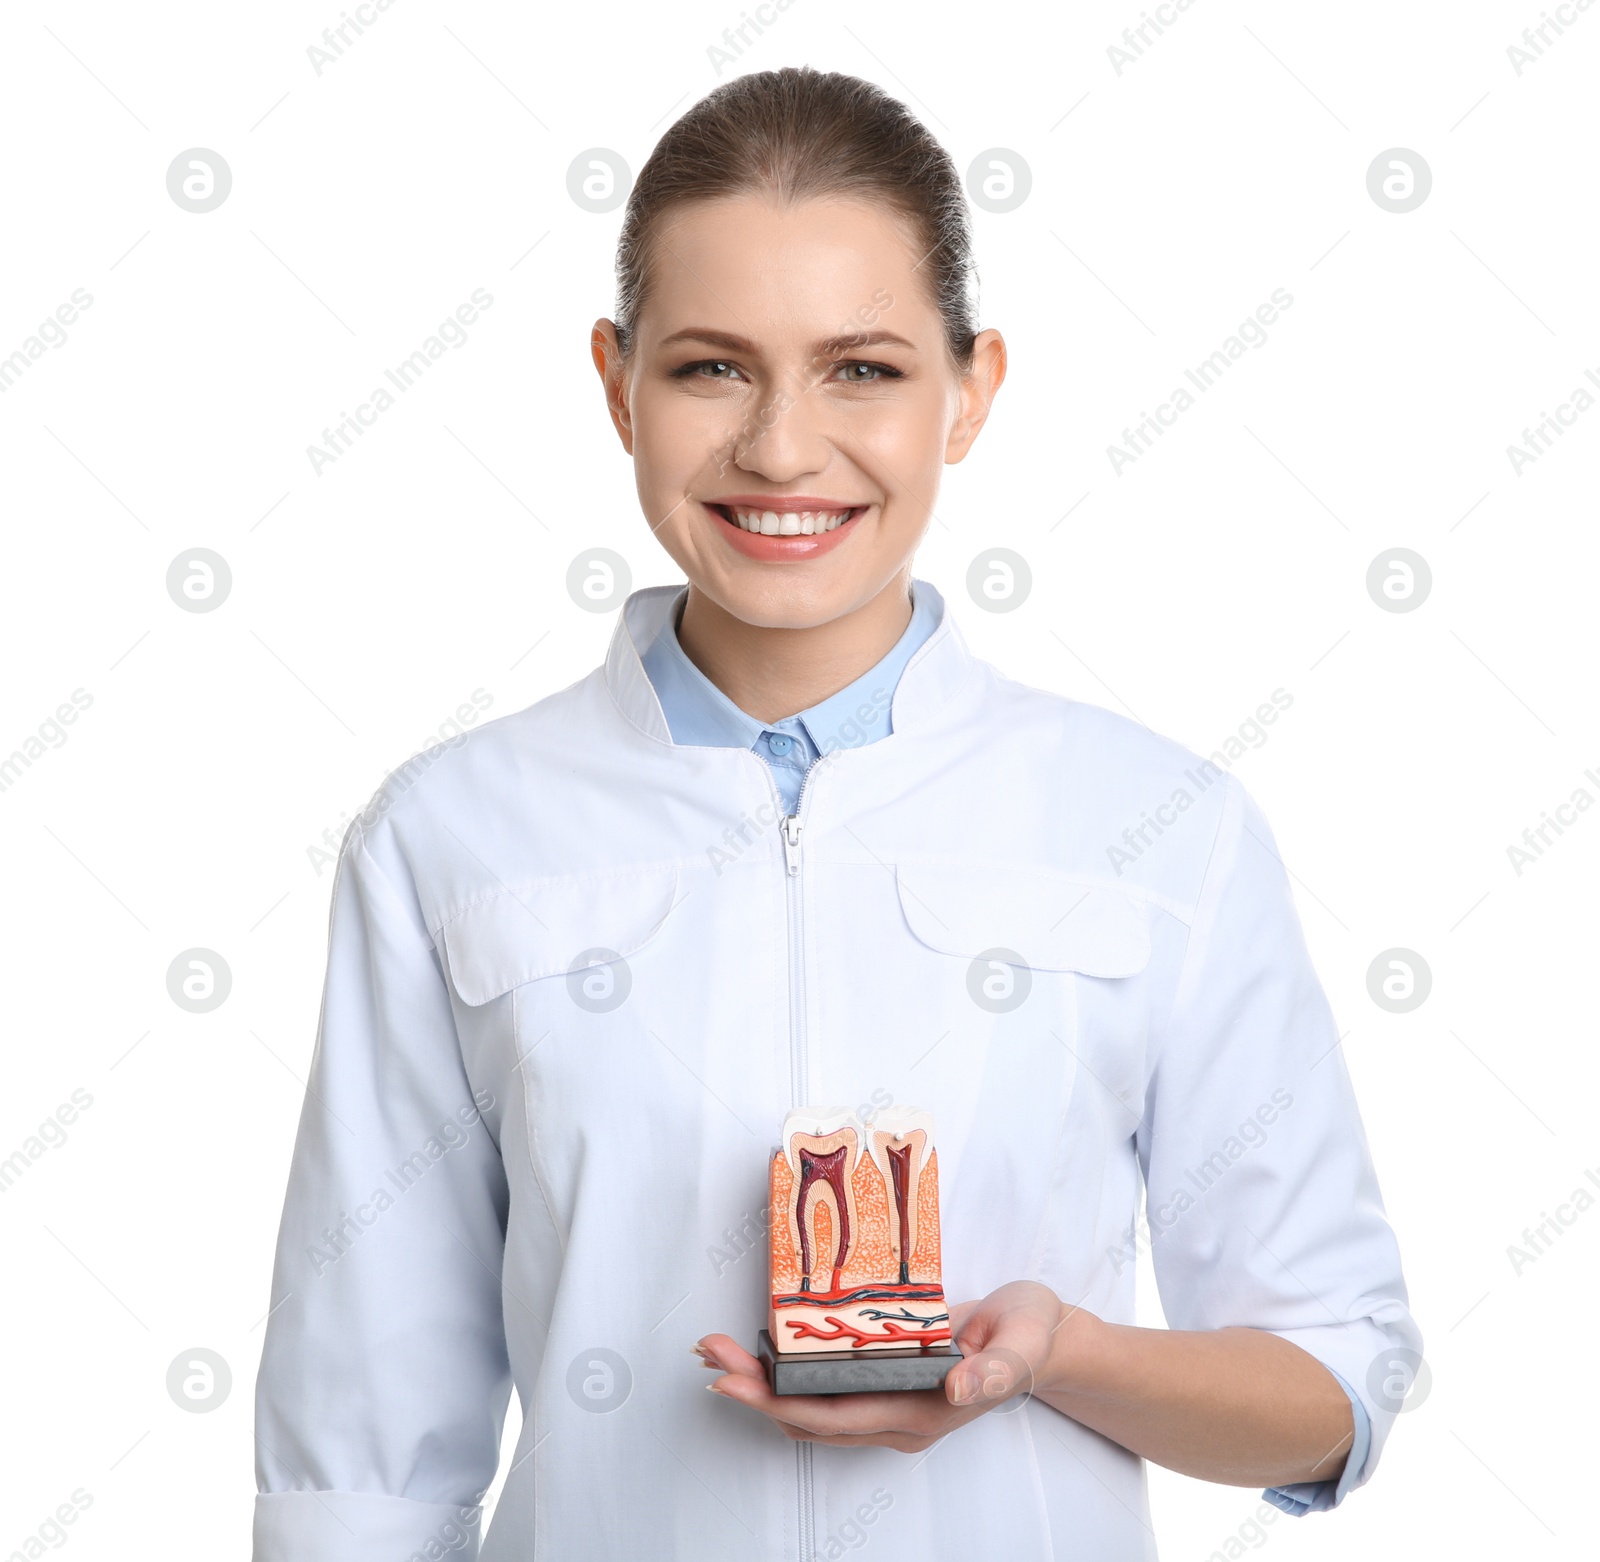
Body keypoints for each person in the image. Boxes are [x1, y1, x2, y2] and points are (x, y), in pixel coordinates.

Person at [252, 65, 1421, 1561]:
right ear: (616, 384)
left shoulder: (1161, 827)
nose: (785, 449)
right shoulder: (452, 836)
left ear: (971, 389)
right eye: (711, 368)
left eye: (862, 367)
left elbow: (1330, 1385)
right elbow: (359, 1458)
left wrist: (1056, 1354)